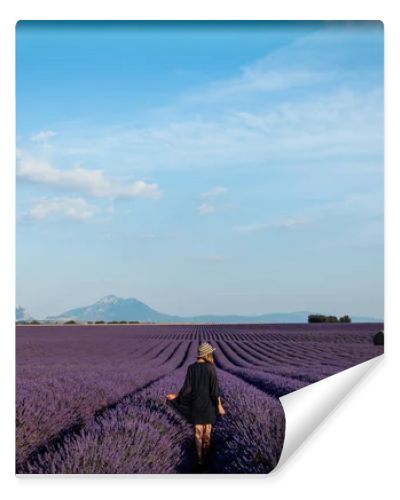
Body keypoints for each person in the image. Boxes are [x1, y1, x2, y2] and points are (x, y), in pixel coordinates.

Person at [166, 341, 226, 469]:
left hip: (196, 405)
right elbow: (215, 391)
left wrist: (176, 397)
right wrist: (219, 405)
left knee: (198, 432)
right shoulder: (211, 368)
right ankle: (206, 456)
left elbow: (187, 389)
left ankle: (199, 460)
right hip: (209, 405)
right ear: (207, 354)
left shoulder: (191, 368)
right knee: (207, 432)